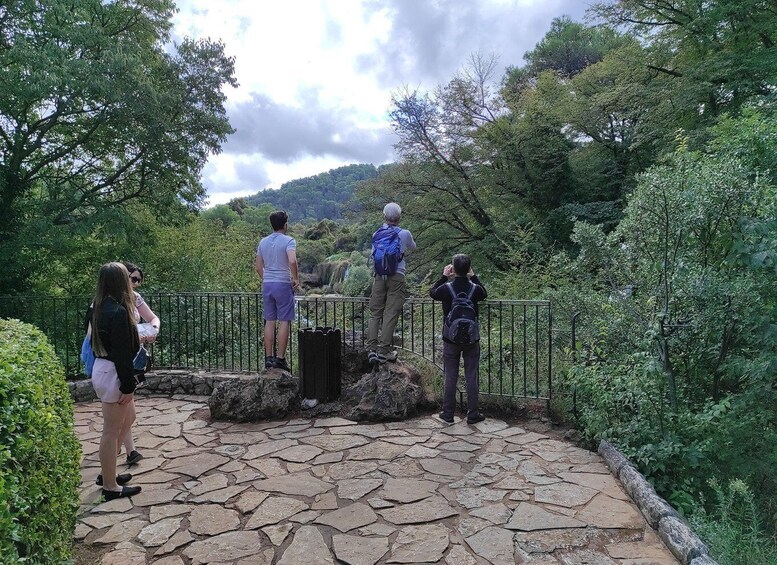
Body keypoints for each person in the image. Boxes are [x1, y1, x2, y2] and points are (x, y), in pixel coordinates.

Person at [89, 262, 143, 500]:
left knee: (129, 417)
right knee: (110, 432)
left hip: (102, 368)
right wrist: (128, 385)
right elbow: (122, 353)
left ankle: (107, 471)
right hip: (113, 372)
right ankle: (110, 485)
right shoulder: (118, 312)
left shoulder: (98, 308)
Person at [430, 253, 487, 424]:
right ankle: (473, 414)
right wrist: (474, 276)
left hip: (450, 339)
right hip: (471, 339)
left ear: (453, 269)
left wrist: (443, 276)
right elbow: (484, 293)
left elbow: (432, 293)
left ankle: (448, 413)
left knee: (451, 375)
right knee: (471, 375)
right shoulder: (475, 289)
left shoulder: (446, 288)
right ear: (468, 268)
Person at [118, 261, 161, 467]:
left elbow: (153, 317)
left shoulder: (135, 299)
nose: (136, 283)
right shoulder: (113, 303)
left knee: (127, 412)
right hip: (119, 361)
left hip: (132, 357)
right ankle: (119, 449)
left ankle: (126, 450)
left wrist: (153, 329)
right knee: (126, 412)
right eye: (133, 279)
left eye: (138, 280)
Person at [366, 202, 416, 364]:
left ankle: (371, 349)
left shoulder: (376, 234)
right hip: (397, 276)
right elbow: (413, 247)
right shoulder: (405, 233)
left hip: (379, 276)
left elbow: (374, 254)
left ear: (384, 216)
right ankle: (384, 351)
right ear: (399, 217)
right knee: (390, 313)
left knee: (375, 313)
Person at [255, 210, 299, 371]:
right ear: (285, 224)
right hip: (282, 284)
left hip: (267, 284)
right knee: (285, 320)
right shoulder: (289, 241)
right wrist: (295, 279)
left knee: (269, 320)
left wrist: (266, 278)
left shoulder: (263, 242)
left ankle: (268, 358)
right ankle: (280, 358)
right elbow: (292, 260)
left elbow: (258, 267)